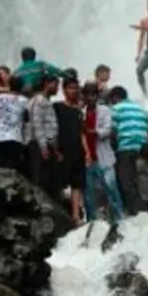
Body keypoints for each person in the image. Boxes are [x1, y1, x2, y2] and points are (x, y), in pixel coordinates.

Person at [82, 83, 125, 224]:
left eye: (93, 95)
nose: (90, 98)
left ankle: (120, 219)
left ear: (97, 96)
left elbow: (107, 131)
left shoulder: (105, 110)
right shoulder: (81, 113)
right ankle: (92, 222)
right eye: (87, 95)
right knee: (89, 194)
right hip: (88, 158)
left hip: (105, 157)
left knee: (111, 188)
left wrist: (91, 132)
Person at [109, 86, 148, 217]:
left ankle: (136, 213)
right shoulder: (141, 108)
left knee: (126, 180)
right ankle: (145, 209)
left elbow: (112, 131)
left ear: (115, 98)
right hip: (143, 148)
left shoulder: (116, 109)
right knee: (140, 179)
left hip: (126, 147)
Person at [53, 78, 87, 222]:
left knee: (77, 184)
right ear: (64, 89)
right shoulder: (57, 107)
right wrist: (55, 149)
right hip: (62, 151)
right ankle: (58, 213)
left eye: (76, 88)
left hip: (78, 151)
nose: (74, 91)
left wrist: (87, 153)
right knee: (59, 182)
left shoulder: (78, 111)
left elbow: (82, 133)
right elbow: (52, 129)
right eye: (71, 88)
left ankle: (75, 216)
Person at [28, 75, 60, 197]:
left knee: (47, 179)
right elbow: (37, 124)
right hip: (40, 145)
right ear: (47, 84)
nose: (58, 88)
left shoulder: (45, 101)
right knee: (41, 179)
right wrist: (44, 148)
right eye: (56, 85)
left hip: (47, 145)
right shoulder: (39, 101)